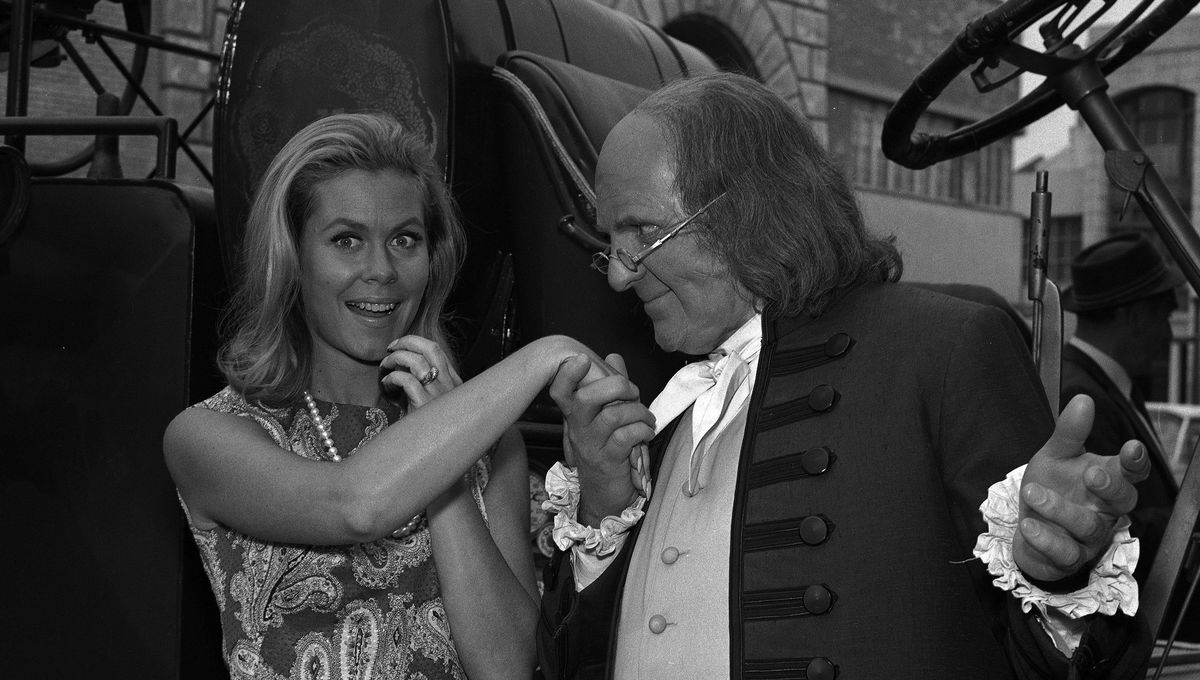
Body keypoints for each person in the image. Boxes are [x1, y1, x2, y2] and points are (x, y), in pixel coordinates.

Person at [537, 73, 1153, 680]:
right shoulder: (655, 404)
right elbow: (572, 660)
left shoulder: (942, 351)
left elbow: (1067, 664)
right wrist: (604, 505)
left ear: (749, 210)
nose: (618, 274)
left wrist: (1058, 576)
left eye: (643, 231)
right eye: (610, 240)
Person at [164, 112, 616, 679]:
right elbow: (354, 507)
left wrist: (447, 451)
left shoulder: (491, 443)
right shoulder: (210, 435)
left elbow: (506, 669)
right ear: (292, 257)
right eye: (346, 240)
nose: (381, 270)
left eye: (405, 240)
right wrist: (546, 354)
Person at [1060, 231, 1193, 641]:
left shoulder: (1108, 387)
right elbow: (1108, 531)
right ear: (1134, 316)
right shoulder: (1082, 398)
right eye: (1164, 317)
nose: (1168, 335)